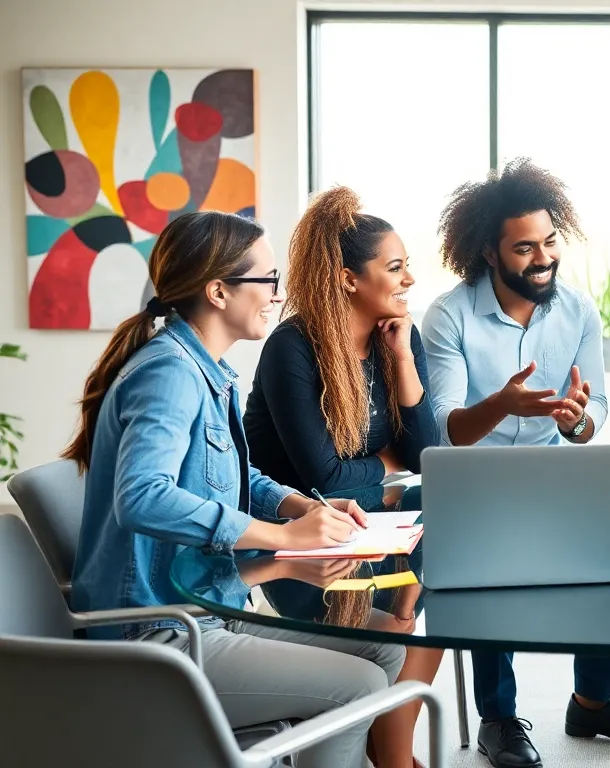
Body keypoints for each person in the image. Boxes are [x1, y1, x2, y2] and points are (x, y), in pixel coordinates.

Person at [66, 212, 406, 768]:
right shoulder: (170, 373)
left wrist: (303, 505)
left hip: (205, 611)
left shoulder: (205, 369)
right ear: (219, 291)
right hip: (159, 636)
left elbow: (233, 475)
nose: (279, 294)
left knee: (383, 646)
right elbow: (143, 495)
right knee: (361, 685)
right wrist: (279, 535)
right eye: (267, 280)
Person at [421, 158, 610, 768]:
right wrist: (501, 404)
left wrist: (577, 421)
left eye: (551, 242)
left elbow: (595, 415)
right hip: (473, 486)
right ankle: (499, 719)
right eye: (525, 248)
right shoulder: (449, 316)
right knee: (490, 571)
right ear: (489, 250)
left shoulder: (578, 310)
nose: (543, 258)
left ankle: (591, 699)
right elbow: (447, 428)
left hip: (552, 476)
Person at [244, 187, 442, 768]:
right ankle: (393, 754)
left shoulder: (398, 336)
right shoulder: (293, 347)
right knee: (413, 620)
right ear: (350, 278)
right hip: (305, 542)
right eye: (396, 267)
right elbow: (321, 477)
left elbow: (426, 454)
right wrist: (384, 464)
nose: (409, 279)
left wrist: (404, 359)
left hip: (371, 523)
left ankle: (392, 747)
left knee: (451, 512)